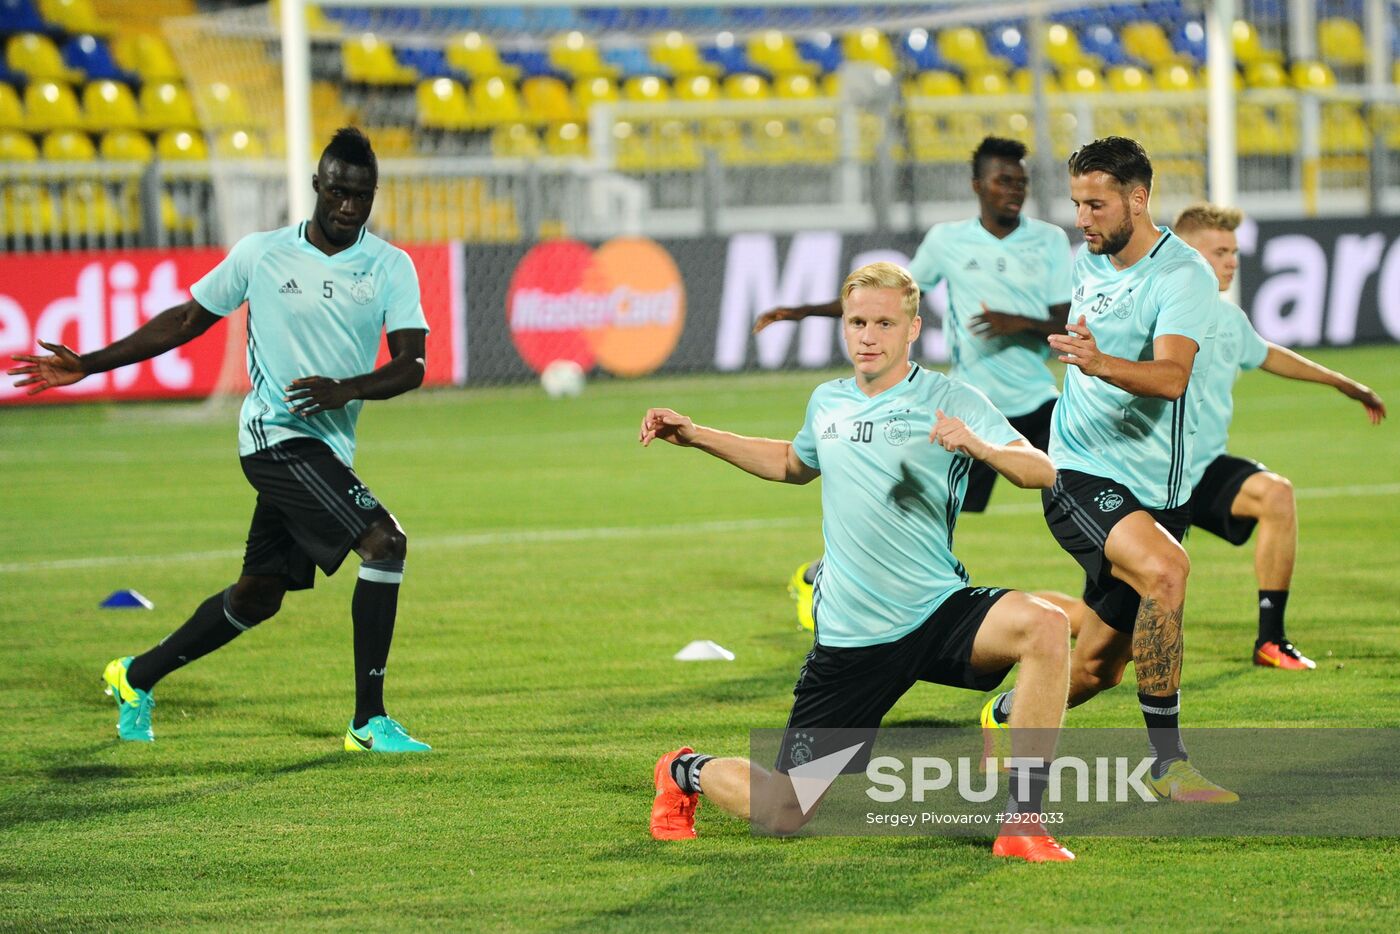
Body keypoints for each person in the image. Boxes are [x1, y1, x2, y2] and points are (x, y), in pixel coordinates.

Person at [8, 128, 432, 753]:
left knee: (257, 597)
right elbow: (186, 319)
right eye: (339, 192)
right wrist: (91, 364)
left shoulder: (391, 266)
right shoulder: (262, 255)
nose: (349, 206)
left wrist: (348, 388)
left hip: (326, 450)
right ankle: (368, 722)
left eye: (361, 196)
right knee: (385, 543)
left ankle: (134, 675)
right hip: (275, 438)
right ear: (317, 186)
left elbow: (412, 366)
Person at [642, 262, 1075, 862]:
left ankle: (1023, 821)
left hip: (935, 609)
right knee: (783, 812)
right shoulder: (828, 402)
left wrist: (978, 445)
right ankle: (684, 771)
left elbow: (1042, 470)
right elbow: (793, 463)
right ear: (844, 328)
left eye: (884, 323)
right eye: (857, 322)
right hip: (853, 638)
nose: (868, 335)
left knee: (1046, 624)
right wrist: (697, 435)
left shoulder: (951, 398)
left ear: (913, 328)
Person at [981, 137, 1237, 803]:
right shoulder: (1087, 260)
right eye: (1076, 205)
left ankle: (1004, 715)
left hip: (1157, 489)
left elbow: (1172, 378)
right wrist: (1086, 363)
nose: (1083, 219)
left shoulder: (1181, 277)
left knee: (1097, 666)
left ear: (1138, 199)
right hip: (1079, 471)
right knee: (1167, 570)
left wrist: (1098, 363)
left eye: (1096, 204)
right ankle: (1168, 763)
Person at [1043, 204, 1387, 668]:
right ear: (1187, 255)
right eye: (1220, 252)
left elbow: (1268, 354)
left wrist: (1342, 382)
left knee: (1275, 496)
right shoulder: (1153, 299)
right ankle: (1032, 618)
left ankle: (1271, 639)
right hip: (1143, 476)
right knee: (1100, 636)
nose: (1231, 262)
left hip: (1198, 472)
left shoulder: (1227, 320)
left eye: (1234, 252)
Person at [753, 137, 1073, 629]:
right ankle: (824, 573)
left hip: (1037, 400)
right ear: (978, 186)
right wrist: (802, 311)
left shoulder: (1049, 239)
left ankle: (1107, 602)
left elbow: (1062, 318)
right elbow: (886, 299)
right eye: (1003, 180)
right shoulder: (948, 240)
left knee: (1073, 487)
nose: (1014, 189)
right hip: (966, 409)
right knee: (919, 505)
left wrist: (1018, 321)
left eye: (1021, 181)